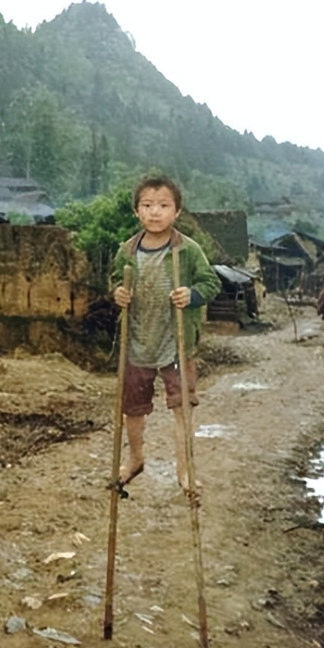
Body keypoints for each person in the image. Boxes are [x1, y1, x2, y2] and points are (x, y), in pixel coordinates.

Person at [111, 174, 221, 496]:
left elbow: (211, 283)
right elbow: (114, 281)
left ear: (177, 211)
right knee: (132, 408)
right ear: (136, 212)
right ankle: (135, 459)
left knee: (181, 408)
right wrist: (118, 292)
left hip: (176, 345)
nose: (155, 212)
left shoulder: (187, 250)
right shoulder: (127, 251)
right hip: (137, 343)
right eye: (147, 205)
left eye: (163, 205)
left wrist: (192, 295)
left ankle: (185, 471)